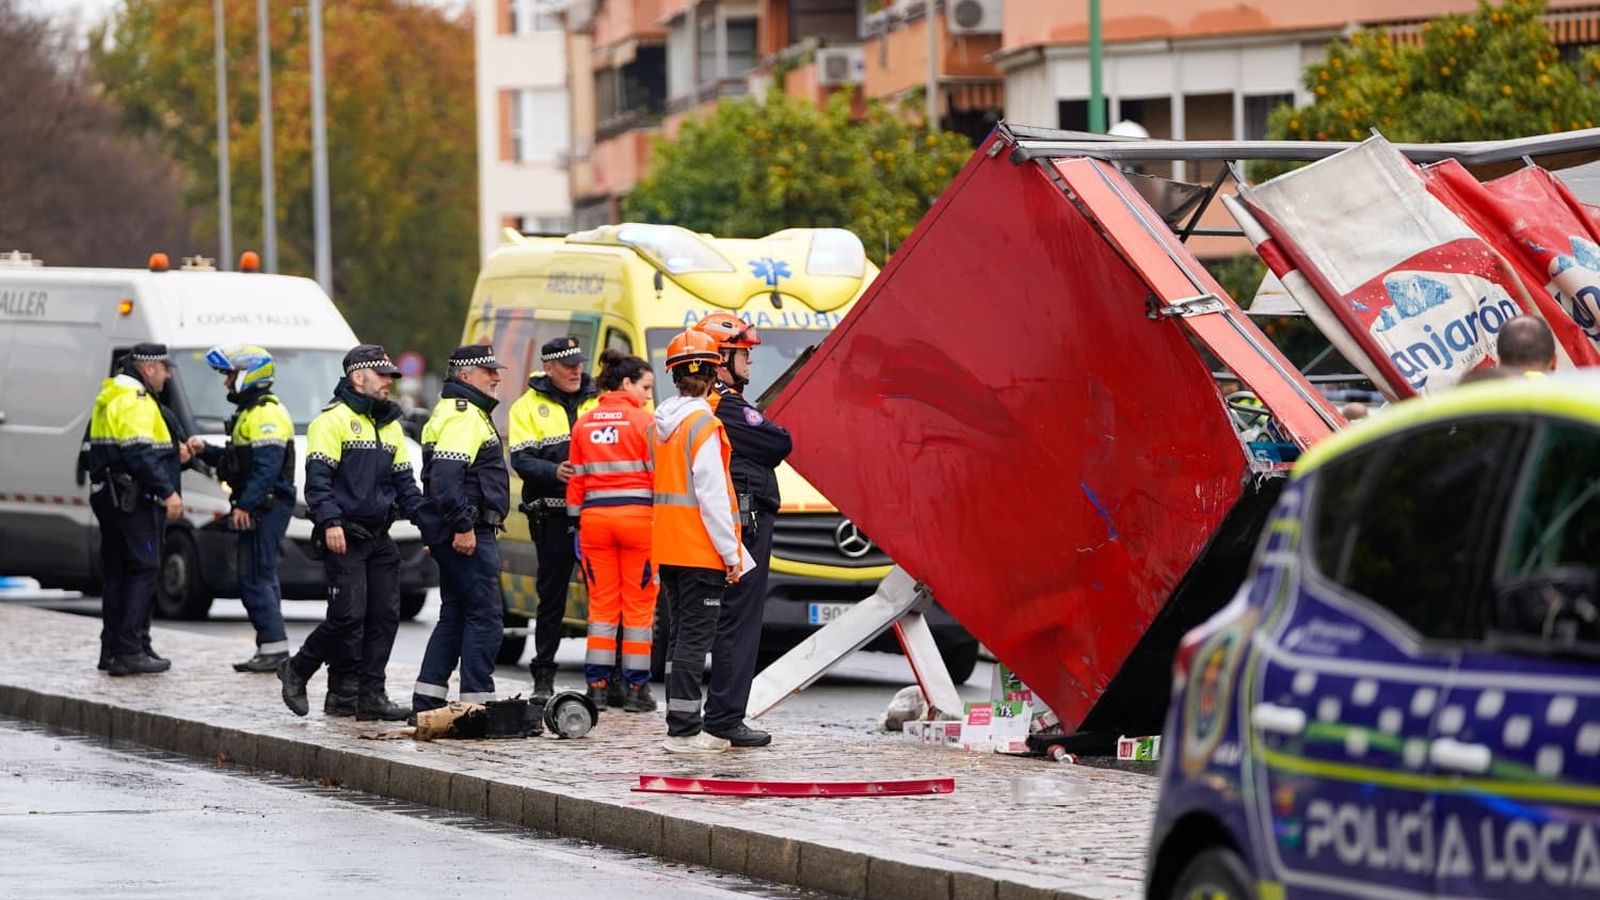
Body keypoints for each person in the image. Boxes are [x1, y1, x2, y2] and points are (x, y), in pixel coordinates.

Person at [277, 344, 426, 721]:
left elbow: (406, 486)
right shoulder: (331, 421)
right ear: (358, 377)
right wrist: (330, 522)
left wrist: (431, 524)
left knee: (384, 616)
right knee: (347, 616)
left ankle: (369, 695)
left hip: (378, 536)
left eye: (391, 377)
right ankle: (297, 668)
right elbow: (318, 482)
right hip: (344, 533)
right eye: (382, 376)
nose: (389, 383)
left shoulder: (390, 425)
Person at [652, 329, 752, 754]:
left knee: (679, 640)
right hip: (700, 550)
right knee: (694, 642)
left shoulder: (661, 423)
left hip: (669, 548)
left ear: (674, 376)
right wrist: (731, 554)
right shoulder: (704, 425)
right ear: (714, 374)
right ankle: (685, 731)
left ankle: (678, 723)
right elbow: (712, 496)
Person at [695, 313, 792, 748]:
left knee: (699, 624)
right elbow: (778, 442)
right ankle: (724, 719)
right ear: (719, 361)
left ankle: (689, 718)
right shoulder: (727, 406)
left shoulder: (697, 406)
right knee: (739, 621)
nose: (750, 360)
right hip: (744, 526)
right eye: (743, 353)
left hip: (715, 525)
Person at [411, 345, 511, 713]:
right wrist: (463, 525)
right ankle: (477, 704)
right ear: (465, 376)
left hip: (456, 530)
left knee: (454, 615)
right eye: (488, 371)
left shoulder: (454, 411)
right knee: (484, 616)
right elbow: (446, 477)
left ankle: (428, 701)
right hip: (469, 532)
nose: (496, 377)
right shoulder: (465, 415)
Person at [191, 345, 296, 674]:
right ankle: (271, 648)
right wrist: (203, 450)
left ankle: (274, 649)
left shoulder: (266, 414)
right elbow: (236, 461)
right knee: (256, 575)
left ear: (249, 375)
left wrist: (246, 505)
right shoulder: (250, 412)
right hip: (260, 505)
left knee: (255, 576)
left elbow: (266, 469)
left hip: (266, 506)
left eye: (231, 375)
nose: (227, 382)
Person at [85, 343, 188, 676]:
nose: (167, 376)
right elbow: (139, 453)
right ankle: (130, 650)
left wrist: (175, 453)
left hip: (112, 497)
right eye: (165, 369)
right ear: (148, 368)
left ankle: (115, 649)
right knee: (145, 569)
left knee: (119, 572)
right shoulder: (136, 400)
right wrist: (168, 492)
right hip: (134, 502)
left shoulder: (112, 395)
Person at [508, 336, 598, 702]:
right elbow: (520, 460)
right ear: (549, 368)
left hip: (595, 513)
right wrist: (553, 471)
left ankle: (604, 679)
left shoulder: (597, 400)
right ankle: (543, 676)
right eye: (568, 365)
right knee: (552, 597)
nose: (577, 371)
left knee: (603, 596)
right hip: (553, 512)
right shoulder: (527, 407)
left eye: (579, 364)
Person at [567, 349, 658, 713]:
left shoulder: (584, 423)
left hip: (594, 523)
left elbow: (576, 481)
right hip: (638, 521)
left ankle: (597, 688)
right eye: (646, 387)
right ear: (627, 383)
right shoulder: (645, 423)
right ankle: (636, 690)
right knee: (638, 608)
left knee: (602, 607)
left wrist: (575, 524)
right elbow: (658, 476)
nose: (649, 395)